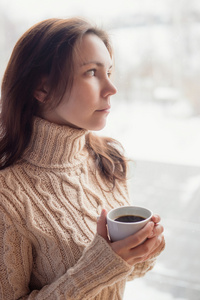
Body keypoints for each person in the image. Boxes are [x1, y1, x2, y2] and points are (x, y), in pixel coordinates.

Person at [0, 18, 165, 300]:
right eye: (91, 72)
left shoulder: (108, 158)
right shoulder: (7, 194)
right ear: (42, 89)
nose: (111, 88)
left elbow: (124, 273)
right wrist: (98, 267)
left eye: (109, 72)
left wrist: (143, 250)